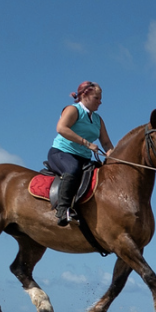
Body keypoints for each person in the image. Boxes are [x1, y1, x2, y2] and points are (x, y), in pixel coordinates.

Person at [48, 82, 110, 227]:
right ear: (84, 95)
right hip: (61, 153)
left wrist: (113, 156)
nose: (100, 102)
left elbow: (106, 143)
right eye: (96, 98)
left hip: (84, 157)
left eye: (100, 98)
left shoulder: (98, 119)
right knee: (72, 170)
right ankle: (62, 210)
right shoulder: (73, 110)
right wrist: (87, 143)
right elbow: (61, 128)